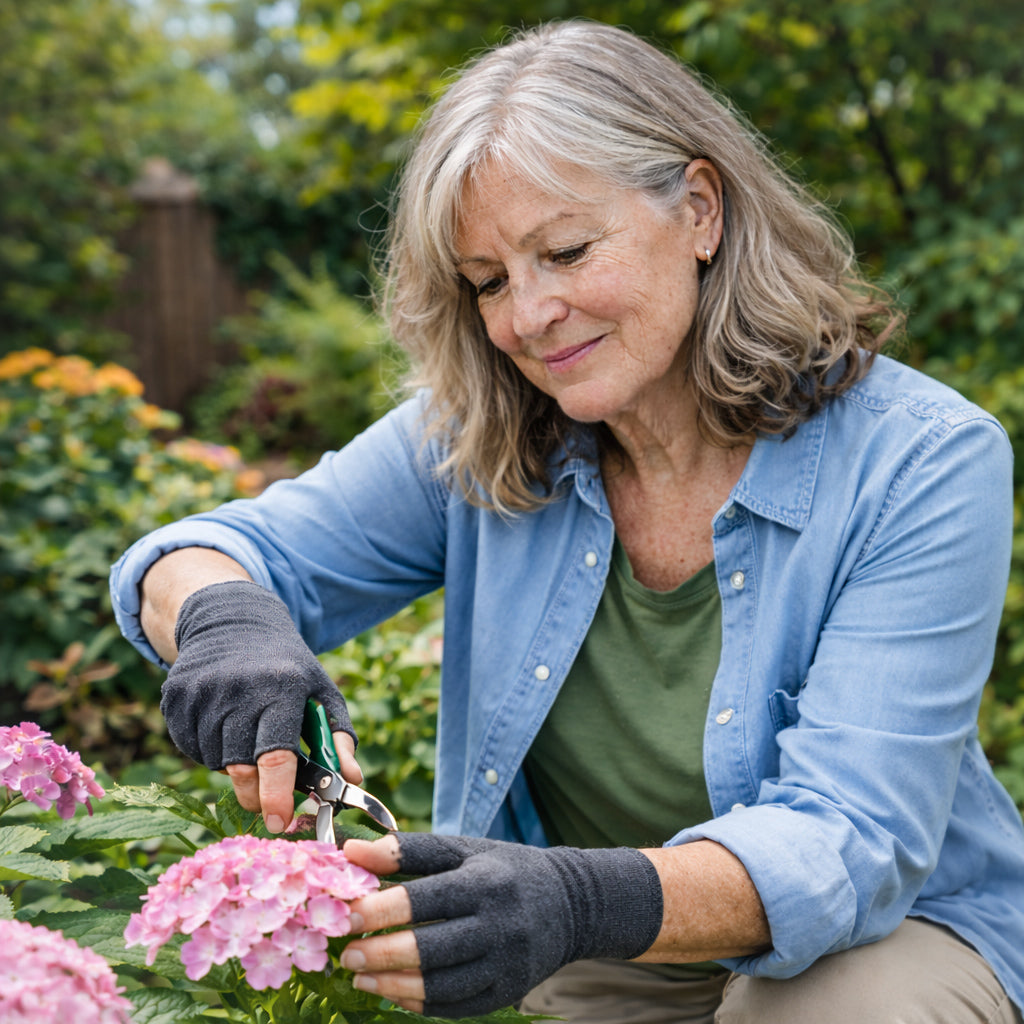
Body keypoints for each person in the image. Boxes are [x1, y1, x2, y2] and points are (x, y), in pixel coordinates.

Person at [110, 20, 1024, 1024]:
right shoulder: (482, 435)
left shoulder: (921, 459)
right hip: (600, 957)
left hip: (886, 942)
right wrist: (226, 618)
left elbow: (849, 839)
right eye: (489, 280)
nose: (527, 316)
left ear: (699, 211)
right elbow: (214, 550)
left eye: (565, 250)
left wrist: (577, 898)